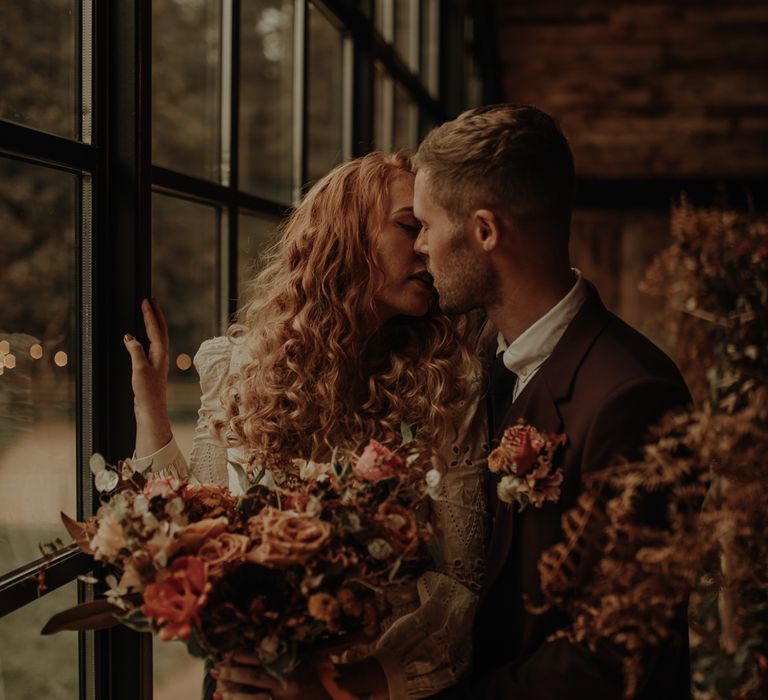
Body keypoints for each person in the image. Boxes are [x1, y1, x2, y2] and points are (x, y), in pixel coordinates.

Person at [124, 152, 488, 699]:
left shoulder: (448, 386)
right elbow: (199, 526)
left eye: (427, 230)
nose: (423, 247)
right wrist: (149, 406)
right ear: (345, 236)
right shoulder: (237, 367)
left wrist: (341, 684)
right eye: (409, 225)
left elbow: (462, 585)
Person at [411, 104, 692, 698]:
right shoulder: (481, 359)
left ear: (485, 231)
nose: (420, 248)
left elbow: (621, 655)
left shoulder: (635, 395)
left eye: (426, 225)